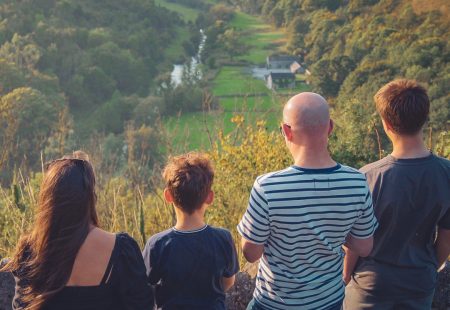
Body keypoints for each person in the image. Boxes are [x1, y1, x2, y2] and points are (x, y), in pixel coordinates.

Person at [237, 92, 378, 310]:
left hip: (274, 304)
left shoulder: (267, 187)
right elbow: (364, 246)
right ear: (330, 127)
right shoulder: (356, 182)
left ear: (286, 131)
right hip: (328, 301)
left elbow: (251, 253)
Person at [343, 79, 450, 309]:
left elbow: (354, 245)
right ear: (425, 118)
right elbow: (446, 238)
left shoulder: (367, 177)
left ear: (386, 125)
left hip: (370, 289)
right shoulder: (446, 173)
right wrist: (429, 266)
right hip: (419, 283)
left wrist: (344, 278)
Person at [2, 151, 154, 310]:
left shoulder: (30, 252)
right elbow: (142, 304)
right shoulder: (122, 249)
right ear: (90, 197)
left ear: (47, 200)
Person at [142, 152, 239, 310]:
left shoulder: (157, 244)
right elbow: (228, 283)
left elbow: (143, 287)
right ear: (209, 197)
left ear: (168, 196)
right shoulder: (223, 238)